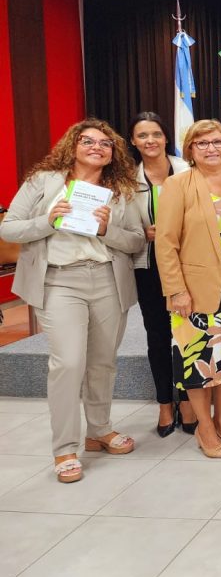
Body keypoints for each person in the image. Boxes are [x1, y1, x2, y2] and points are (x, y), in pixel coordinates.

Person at [1, 119, 145, 483]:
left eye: (105, 143)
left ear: (114, 152)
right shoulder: (43, 182)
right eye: (88, 141)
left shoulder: (121, 190)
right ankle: (64, 448)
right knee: (68, 363)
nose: (97, 147)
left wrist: (105, 229)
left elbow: (135, 242)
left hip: (108, 281)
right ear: (73, 145)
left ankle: (99, 430)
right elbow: (8, 227)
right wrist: (47, 221)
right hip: (60, 281)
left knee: (102, 362)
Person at [155, 119, 221, 460]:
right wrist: (176, 290)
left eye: (217, 142)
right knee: (198, 362)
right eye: (201, 143)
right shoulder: (178, 185)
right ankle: (204, 426)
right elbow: (165, 242)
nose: (211, 148)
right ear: (190, 150)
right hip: (195, 290)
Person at [127, 111, 196, 437]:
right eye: (142, 135)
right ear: (133, 142)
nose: (150, 140)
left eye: (156, 134)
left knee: (185, 334)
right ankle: (164, 403)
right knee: (157, 335)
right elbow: (118, 227)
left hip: (188, 265)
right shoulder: (126, 180)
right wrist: (144, 233)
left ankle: (186, 399)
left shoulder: (188, 170)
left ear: (166, 137)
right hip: (148, 267)